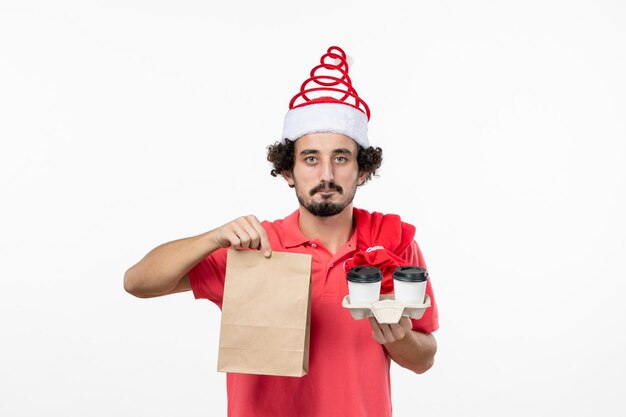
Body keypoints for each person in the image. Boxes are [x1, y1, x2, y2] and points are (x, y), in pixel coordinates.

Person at [124, 45, 439, 417]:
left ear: (363, 170)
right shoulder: (254, 247)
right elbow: (137, 282)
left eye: (341, 158)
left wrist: (399, 338)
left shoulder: (394, 242)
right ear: (288, 172)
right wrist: (213, 238)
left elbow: (424, 359)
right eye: (310, 159)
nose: (326, 174)